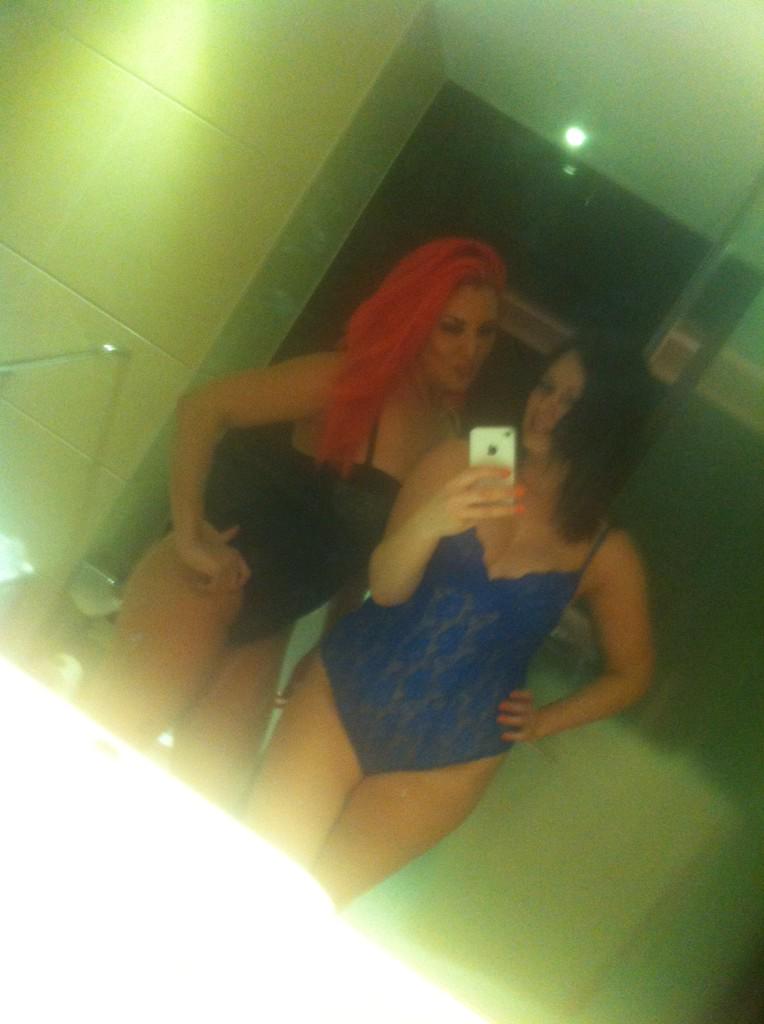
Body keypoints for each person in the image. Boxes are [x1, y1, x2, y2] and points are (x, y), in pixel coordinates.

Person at [81, 238, 507, 806]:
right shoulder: (351, 380)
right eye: (451, 328)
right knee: (96, 750)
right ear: (416, 320)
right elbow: (204, 406)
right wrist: (187, 530)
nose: (469, 349)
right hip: (208, 583)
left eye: (485, 332)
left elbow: (370, 553)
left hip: (272, 621)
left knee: (203, 800)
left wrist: (328, 642)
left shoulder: (449, 437)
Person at [244, 339, 654, 907]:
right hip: (345, 693)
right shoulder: (472, 458)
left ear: (605, 426)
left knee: (311, 906)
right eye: (545, 388)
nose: (546, 407)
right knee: (256, 875)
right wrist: (431, 522)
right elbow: (387, 586)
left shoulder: (606, 548)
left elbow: (632, 674)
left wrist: (545, 721)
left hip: (449, 757)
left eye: (571, 402)